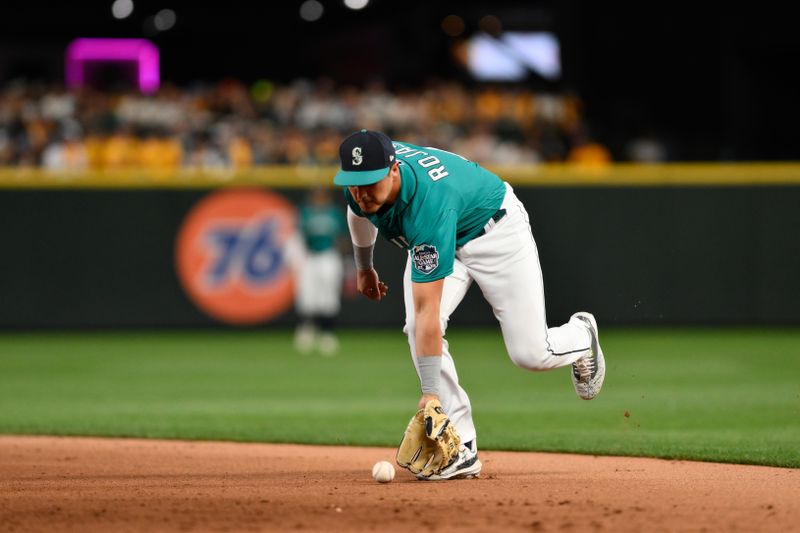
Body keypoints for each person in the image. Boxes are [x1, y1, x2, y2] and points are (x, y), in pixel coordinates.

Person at [333, 129, 606, 480]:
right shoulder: (363, 177)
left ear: (394, 170)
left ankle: (581, 335)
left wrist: (429, 394)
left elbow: (428, 309)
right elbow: (357, 212)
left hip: (495, 231)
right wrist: (365, 267)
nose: (361, 191)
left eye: (370, 183)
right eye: (354, 183)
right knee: (416, 329)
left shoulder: (427, 205)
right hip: (448, 229)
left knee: (531, 354)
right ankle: (462, 445)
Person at [289, 186, 347, 356]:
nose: (319, 199)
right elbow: (297, 237)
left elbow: (341, 238)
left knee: (328, 297)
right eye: (316, 195)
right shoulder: (305, 213)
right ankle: (306, 329)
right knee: (307, 296)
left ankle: (327, 333)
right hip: (310, 256)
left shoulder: (334, 213)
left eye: (321, 196)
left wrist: (347, 260)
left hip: (329, 256)